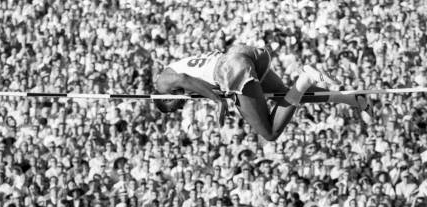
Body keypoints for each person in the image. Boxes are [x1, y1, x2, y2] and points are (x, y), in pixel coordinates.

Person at [154, 44, 372, 142]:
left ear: (166, 97)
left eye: (177, 104)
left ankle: (305, 78)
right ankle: (351, 98)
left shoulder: (162, 82)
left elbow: (184, 80)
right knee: (286, 95)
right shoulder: (179, 66)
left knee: (269, 133)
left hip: (231, 68)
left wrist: (218, 102)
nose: (183, 103)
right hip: (242, 54)